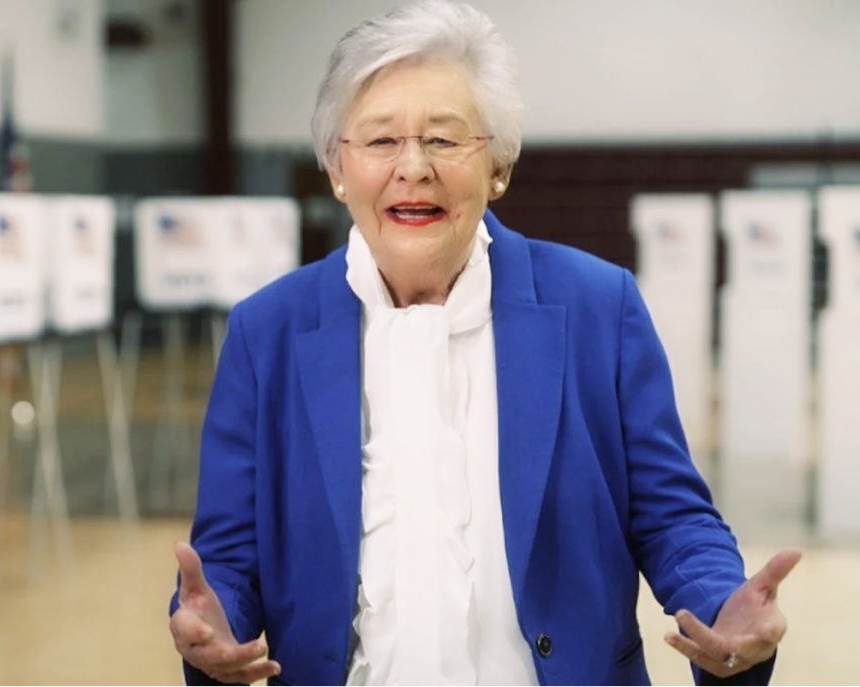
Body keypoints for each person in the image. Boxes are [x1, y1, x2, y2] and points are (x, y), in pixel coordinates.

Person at [168, 1, 800, 684]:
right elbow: (227, 556)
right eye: (380, 141)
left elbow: (672, 517)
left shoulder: (597, 306)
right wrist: (214, 626)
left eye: (444, 140)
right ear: (336, 167)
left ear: (498, 166)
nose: (413, 167)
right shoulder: (268, 331)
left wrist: (720, 604)